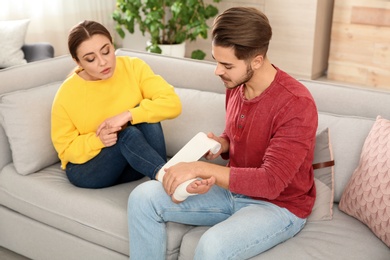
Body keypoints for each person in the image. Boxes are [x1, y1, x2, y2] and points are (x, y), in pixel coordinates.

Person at [128, 6, 318, 259]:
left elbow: (271, 182)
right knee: (143, 197)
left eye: (226, 65)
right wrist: (222, 144)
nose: (217, 71)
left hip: (278, 206)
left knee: (212, 246)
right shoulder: (236, 83)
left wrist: (202, 169)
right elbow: (236, 135)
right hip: (233, 190)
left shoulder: (296, 104)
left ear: (257, 60)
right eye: (216, 61)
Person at [51, 20, 182, 189]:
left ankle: (163, 175)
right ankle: (171, 180)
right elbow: (65, 150)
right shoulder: (67, 94)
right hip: (87, 170)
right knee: (128, 135)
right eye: (90, 59)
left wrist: (127, 115)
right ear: (78, 62)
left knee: (145, 114)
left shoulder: (133, 67)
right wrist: (98, 140)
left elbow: (173, 103)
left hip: (132, 165)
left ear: (112, 45)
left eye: (106, 51)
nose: (103, 62)